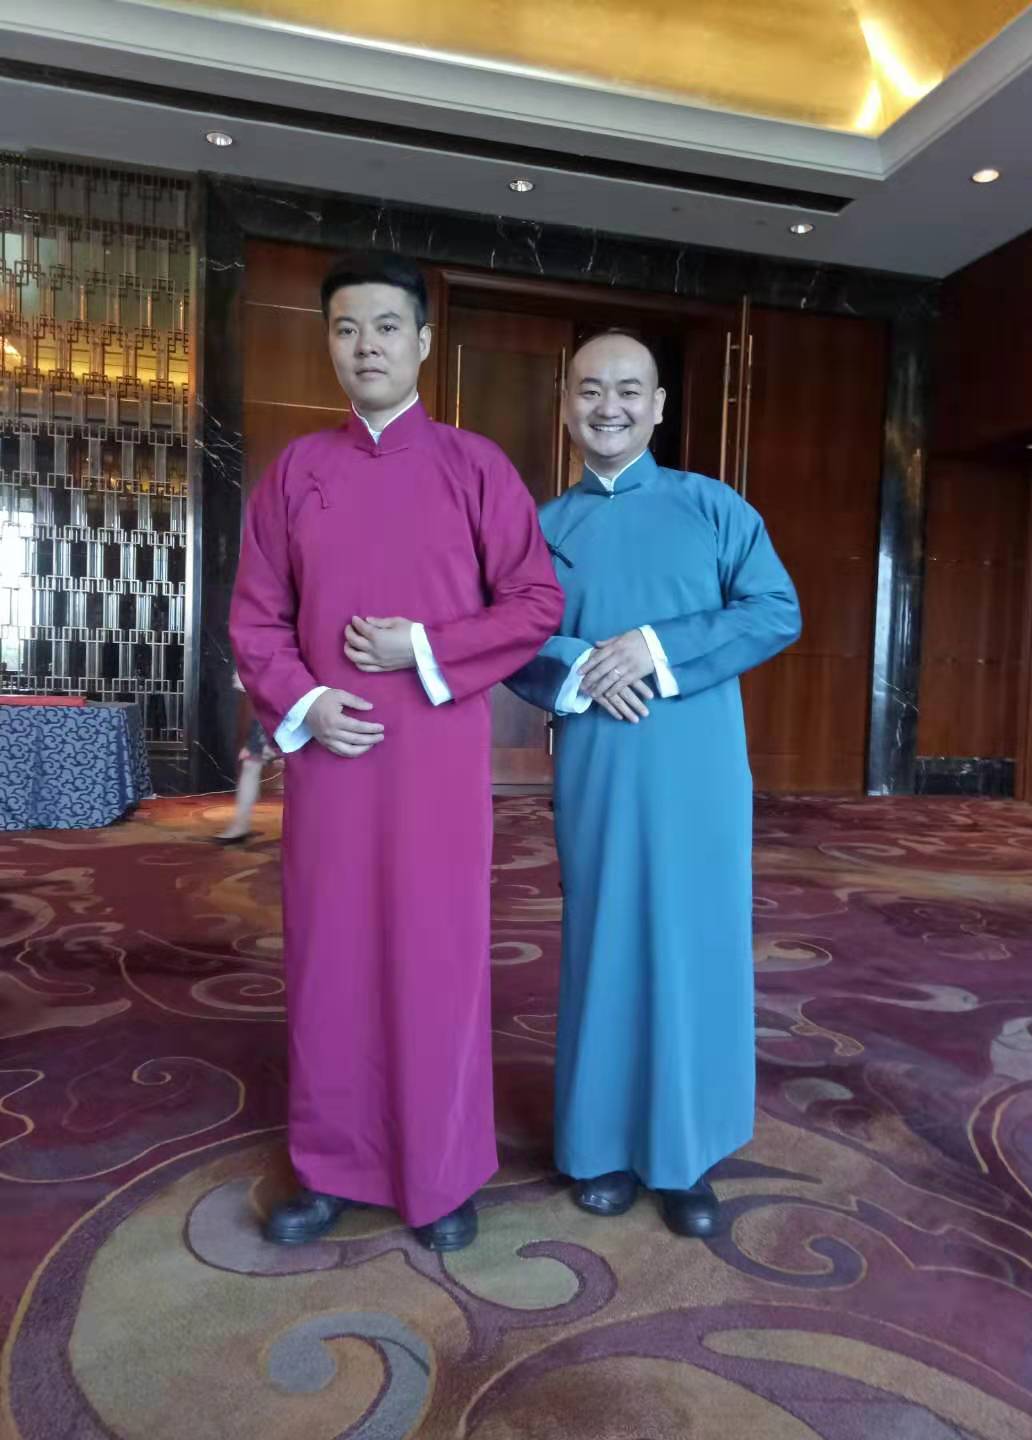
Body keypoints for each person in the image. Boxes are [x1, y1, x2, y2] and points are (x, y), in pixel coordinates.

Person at [230, 252, 563, 1252]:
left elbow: (536, 604)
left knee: (435, 957)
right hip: (331, 761)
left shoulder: (475, 467)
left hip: (436, 760)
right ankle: (329, 1164)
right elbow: (256, 618)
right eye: (345, 328)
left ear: (422, 340)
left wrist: (425, 647)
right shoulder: (297, 472)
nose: (365, 346)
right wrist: (307, 702)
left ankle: (442, 1171)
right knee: (328, 956)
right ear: (328, 344)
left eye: (385, 326)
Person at [507, 330, 800, 1238]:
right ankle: (597, 1147)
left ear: (659, 405)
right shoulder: (541, 529)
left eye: (629, 390)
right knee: (606, 940)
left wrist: (656, 649)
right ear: (566, 403)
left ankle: (685, 1154)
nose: (610, 407)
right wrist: (587, 662)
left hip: (701, 764)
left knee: (695, 943)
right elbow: (508, 638)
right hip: (600, 762)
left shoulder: (713, 507)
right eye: (591, 390)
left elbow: (776, 610)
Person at [214, 671, 277, 844]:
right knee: (251, 762)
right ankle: (241, 824)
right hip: (273, 703)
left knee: (252, 762)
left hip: (289, 699)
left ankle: (241, 824)